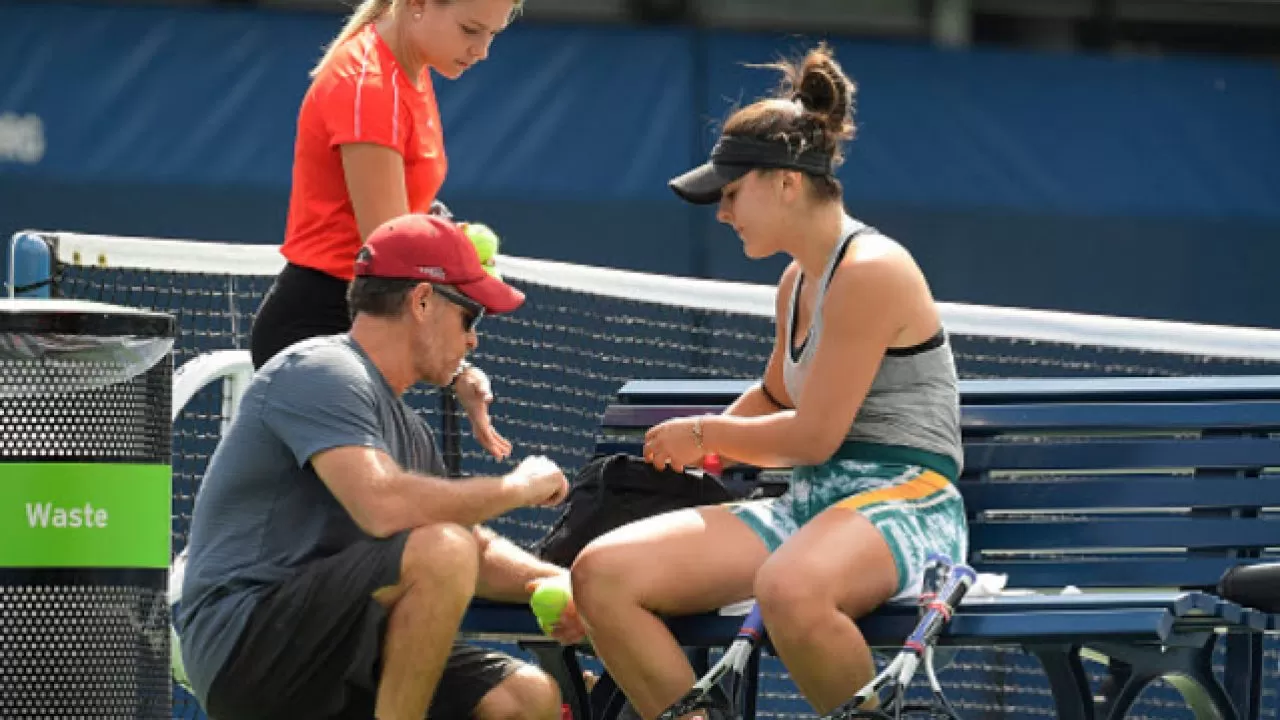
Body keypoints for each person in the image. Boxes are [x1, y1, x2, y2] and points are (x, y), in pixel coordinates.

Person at [567, 44, 968, 719]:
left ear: (786, 181)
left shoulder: (871, 268)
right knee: (600, 576)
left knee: (789, 588)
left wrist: (707, 434)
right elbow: (777, 398)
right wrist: (696, 449)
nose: (722, 212)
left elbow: (812, 435)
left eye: (730, 193)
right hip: (808, 507)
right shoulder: (795, 280)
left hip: (911, 503)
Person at [176, 213, 586, 720]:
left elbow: (474, 550)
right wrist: (519, 487)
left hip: (343, 652)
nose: (474, 341)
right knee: (441, 550)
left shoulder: (406, 427)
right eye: (470, 317)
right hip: (246, 650)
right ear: (421, 301)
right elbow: (384, 507)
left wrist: (580, 586)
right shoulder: (320, 369)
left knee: (526, 697)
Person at [249, 0, 519, 458]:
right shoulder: (368, 85)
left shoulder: (411, 68)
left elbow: (406, 241)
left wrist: (456, 370)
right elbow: (395, 259)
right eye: (471, 30)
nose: (482, 51)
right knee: (384, 516)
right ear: (417, 6)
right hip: (318, 331)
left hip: (367, 329)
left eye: (492, 34)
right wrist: (452, 363)